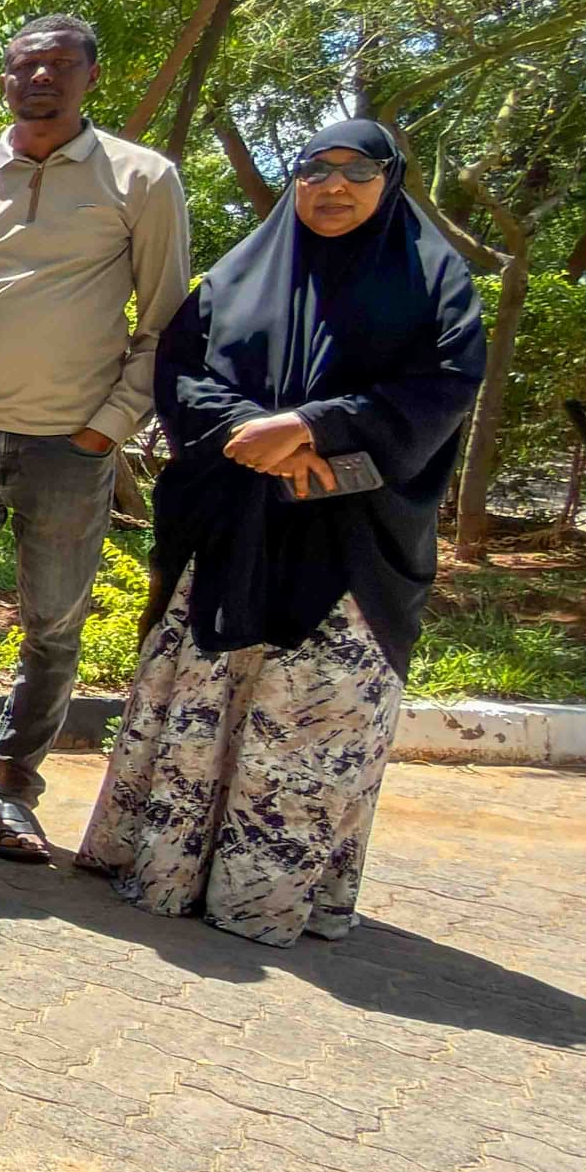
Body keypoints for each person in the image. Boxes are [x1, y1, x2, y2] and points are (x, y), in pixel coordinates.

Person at [78, 120, 485, 946]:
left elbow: (443, 387)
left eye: (357, 172)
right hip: (231, 531)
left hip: (350, 544)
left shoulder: (433, 284)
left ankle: (262, 898)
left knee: (310, 720)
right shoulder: (239, 275)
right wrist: (246, 432)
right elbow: (182, 367)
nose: (333, 188)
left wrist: (312, 426)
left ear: (390, 180)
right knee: (205, 700)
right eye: (316, 171)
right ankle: (165, 872)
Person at [0, 16, 191, 863]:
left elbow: (166, 322)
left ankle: (18, 790)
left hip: (69, 446)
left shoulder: (141, 180)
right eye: (26, 66)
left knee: (51, 625)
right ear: (5, 81)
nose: (41, 79)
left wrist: (109, 427)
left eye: (60, 65)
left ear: (93, 77)